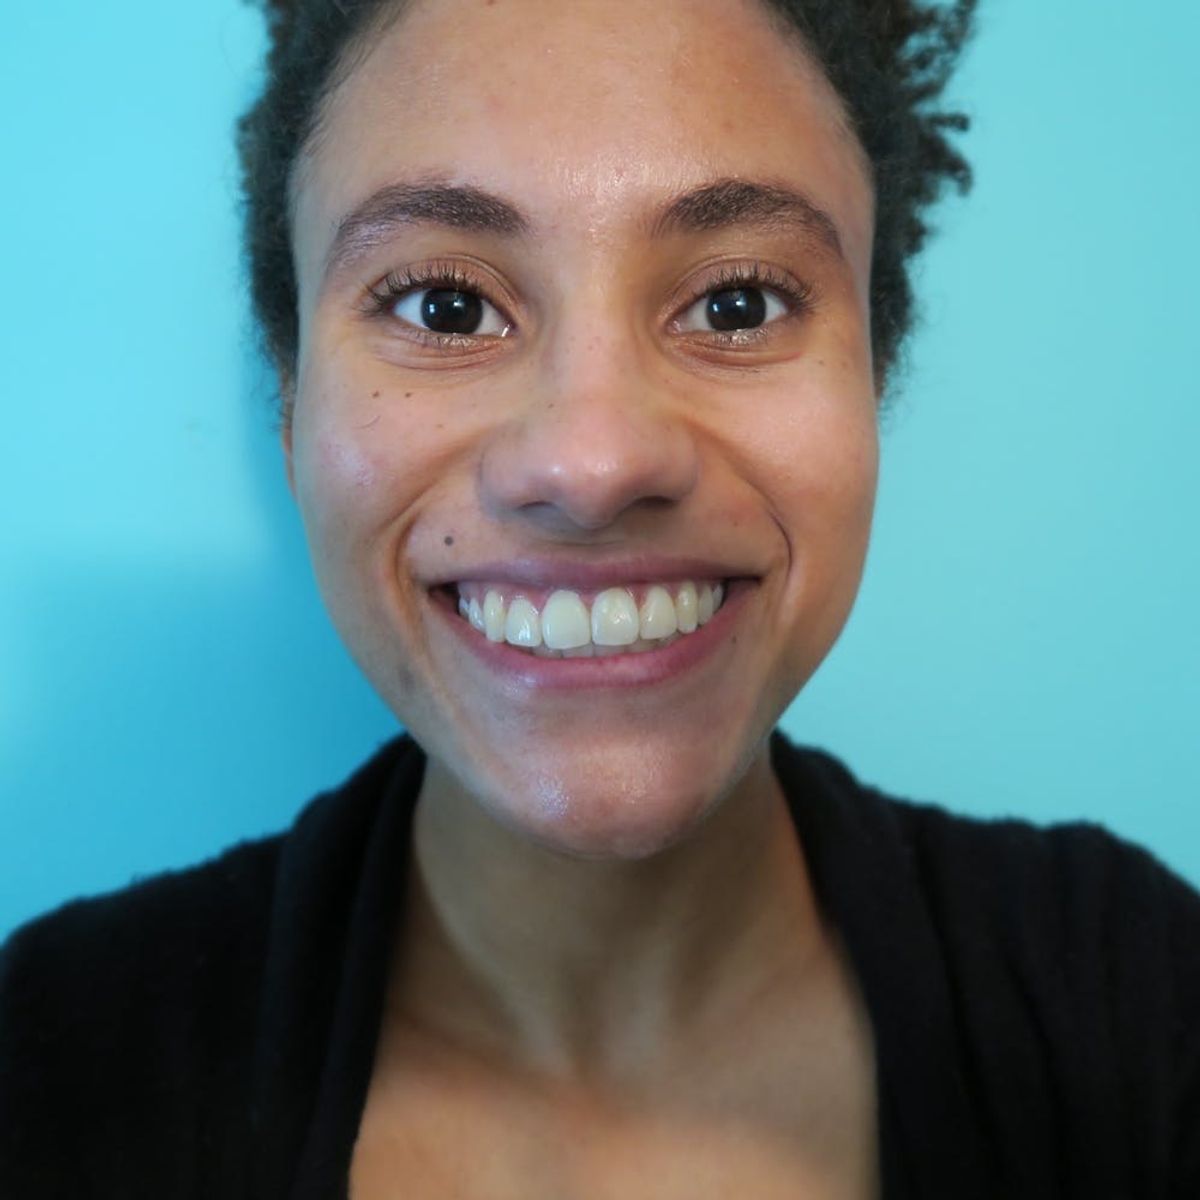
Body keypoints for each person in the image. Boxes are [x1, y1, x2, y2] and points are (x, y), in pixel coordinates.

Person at [1, 1, 1196, 1196]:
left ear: (874, 373)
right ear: (291, 397)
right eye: (445, 306)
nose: (593, 462)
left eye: (737, 304)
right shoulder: (49, 1066)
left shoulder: (1136, 998)